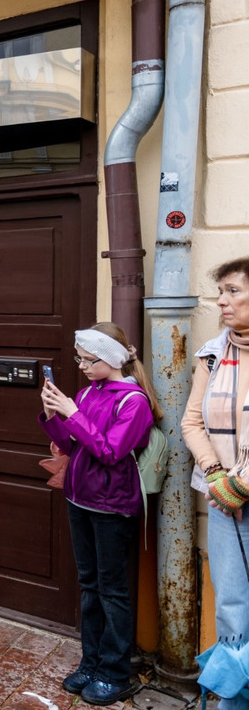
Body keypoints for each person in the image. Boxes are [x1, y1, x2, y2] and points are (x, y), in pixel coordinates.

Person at [39, 322, 159, 707]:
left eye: (90, 360)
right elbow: (70, 445)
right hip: (80, 499)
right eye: (80, 358)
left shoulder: (134, 401)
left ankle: (115, 672)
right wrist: (53, 415)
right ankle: (90, 663)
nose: (82, 366)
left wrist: (73, 413)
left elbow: (109, 452)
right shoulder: (88, 393)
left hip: (111, 506)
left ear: (112, 359)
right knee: (89, 585)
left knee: (112, 590)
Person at [183, 257, 249, 710]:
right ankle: (234, 699)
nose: (221, 300)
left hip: (236, 492)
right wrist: (215, 474)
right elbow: (191, 422)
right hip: (225, 501)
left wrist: (242, 483)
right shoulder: (213, 353)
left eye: (232, 291)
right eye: (220, 291)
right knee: (232, 605)